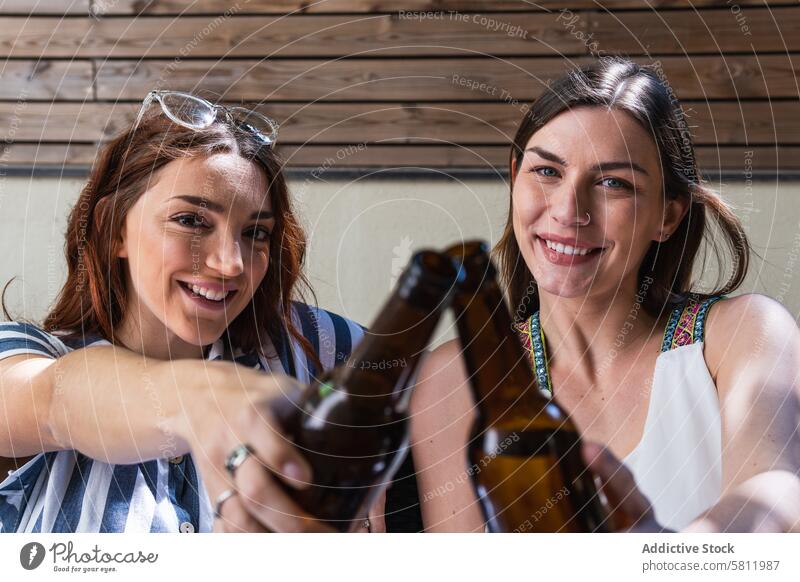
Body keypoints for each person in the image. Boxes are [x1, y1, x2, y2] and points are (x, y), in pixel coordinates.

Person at [410, 58, 800, 533]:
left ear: (668, 216)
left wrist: (667, 556)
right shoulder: (455, 378)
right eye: (547, 171)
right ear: (515, 177)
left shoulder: (743, 334)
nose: (569, 210)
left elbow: (777, 492)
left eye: (613, 183)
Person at [0, 91, 378, 533]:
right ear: (111, 228)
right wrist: (202, 401)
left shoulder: (310, 345)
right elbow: (55, 399)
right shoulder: (26, 354)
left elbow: (450, 378)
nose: (231, 263)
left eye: (255, 233)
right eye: (192, 221)